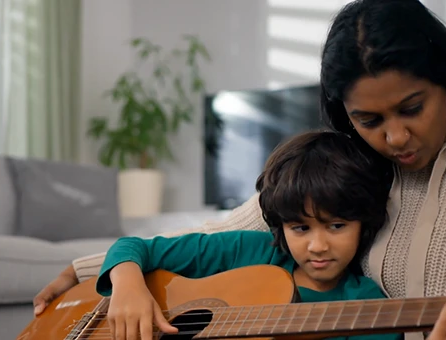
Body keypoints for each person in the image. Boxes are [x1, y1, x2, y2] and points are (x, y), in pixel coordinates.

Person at [35, 0, 446, 339]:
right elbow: (237, 229)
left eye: (412, 108)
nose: (396, 137)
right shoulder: (355, 164)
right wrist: (94, 270)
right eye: (369, 119)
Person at [96, 131, 403, 340]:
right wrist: (128, 285)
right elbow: (132, 246)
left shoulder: (365, 303)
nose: (318, 246)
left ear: (364, 222)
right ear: (280, 225)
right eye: (300, 228)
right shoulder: (249, 250)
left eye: (337, 226)